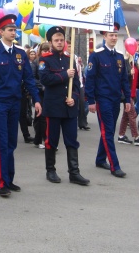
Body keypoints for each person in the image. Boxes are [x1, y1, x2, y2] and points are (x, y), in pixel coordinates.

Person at [0, 14, 42, 197]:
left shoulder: (20, 53)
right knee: (1, 143)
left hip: (16, 102)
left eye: (15, 30)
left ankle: (10, 179)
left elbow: (29, 79)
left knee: (12, 143)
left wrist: (37, 99)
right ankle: (1, 182)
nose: (14, 32)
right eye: (10, 30)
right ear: (1, 32)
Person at [39, 26, 89, 186]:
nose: (59, 43)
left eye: (61, 40)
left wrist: (74, 98)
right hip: (53, 107)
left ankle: (74, 172)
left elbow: (75, 84)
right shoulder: (45, 59)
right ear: (51, 42)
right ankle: (50, 170)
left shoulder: (70, 58)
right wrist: (63, 75)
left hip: (69, 108)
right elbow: (45, 79)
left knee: (72, 141)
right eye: (56, 40)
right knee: (51, 140)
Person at [85, 23, 131, 178]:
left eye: (115, 35)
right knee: (108, 130)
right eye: (110, 35)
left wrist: (128, 99)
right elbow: (90, 79)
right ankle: (114, 165)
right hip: (102, 99)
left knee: (108, 130)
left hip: (115, 99)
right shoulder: (96, 55)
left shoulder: (119, 56)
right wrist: (90, 100)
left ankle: (100, 159)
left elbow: (125, 79)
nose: (113, 37)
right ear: (104, 36)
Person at [117, 51, 139, 146]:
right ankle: (136, 137)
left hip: (133, 92)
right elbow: (121, 77)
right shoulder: (124, 62)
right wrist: (129, 73)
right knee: (132, 114)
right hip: (126, 93)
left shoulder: (135, 63)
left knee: (126, 115)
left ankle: (121, 135)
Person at [32, 42, 49, 148]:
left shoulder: (51, 61)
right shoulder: (36, 62)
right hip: (39, 93)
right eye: (44, 50)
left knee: (43, 117)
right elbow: (32, 78)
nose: (46, 52)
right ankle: (43, 139)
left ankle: (38, 140)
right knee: (41, 117)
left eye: (48, 50)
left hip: (49, 93)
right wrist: (42, 86)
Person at [76, 56, 90, 131]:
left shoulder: (75, 57)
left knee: (82, 102)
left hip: (80, 84)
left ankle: (83, 123)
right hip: (72, 84)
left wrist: (80, 64)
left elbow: (80, 69)